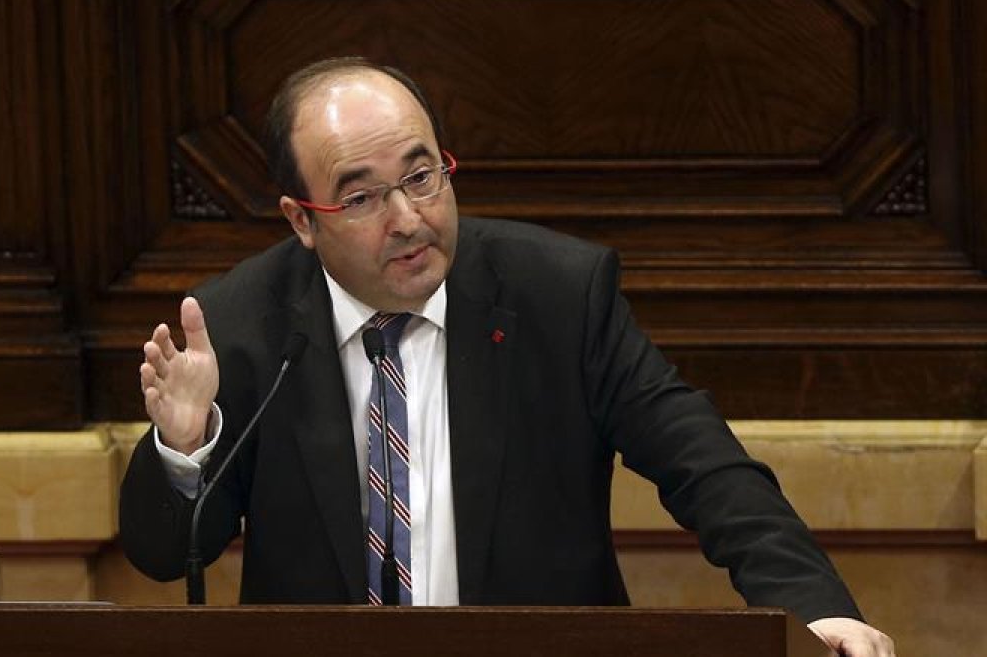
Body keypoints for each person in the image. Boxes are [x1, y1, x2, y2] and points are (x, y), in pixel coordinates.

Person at [120, 57, 895, 656]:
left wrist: (813, 606)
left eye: (422, 177)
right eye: (361, 198)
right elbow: (162, 559)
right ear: (301, 220)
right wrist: (185, 448)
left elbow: (707, 466)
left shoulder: (557, 294)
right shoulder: (239, 324)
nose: (407, 218)